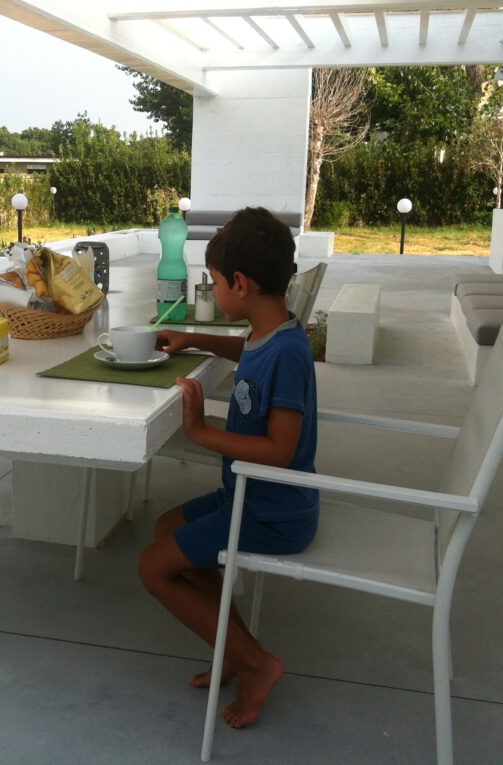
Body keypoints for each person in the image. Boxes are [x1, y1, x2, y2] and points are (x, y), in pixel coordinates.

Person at [138, 206, 319, 729]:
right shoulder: (273, 334)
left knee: (152, 567)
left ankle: (256, 662)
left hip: (273, 510)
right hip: (249, 495)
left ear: (240, 283)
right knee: (167, 529)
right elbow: (248, 349)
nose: (213, 290)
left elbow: (280, 450)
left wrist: (200, 432)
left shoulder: (287, 353)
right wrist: (195, 339)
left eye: (214, 281)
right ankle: (237, 650)